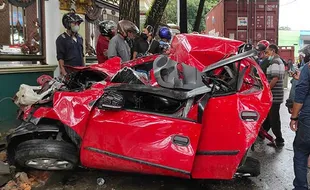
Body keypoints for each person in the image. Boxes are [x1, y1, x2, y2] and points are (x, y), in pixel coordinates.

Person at [290, 59, 310, 190]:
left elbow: (300, 94)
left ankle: (301, 187)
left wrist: (294, 117)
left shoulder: (308, 67)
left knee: (301, 151)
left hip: (308, 117)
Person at [263, 44, 286, 147]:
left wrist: (266, 90)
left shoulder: (275, 61)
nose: (266, 55)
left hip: (275, 95)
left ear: (273, 51)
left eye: (267, 52)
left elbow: (275, 78)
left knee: (274, 118)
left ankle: (279, 140)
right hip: (275, 94)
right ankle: (262, 134)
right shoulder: (278, 60)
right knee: (269, 117)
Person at [56, 12, 84, 76]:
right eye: (74, 23)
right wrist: (64, 72)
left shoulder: (80, 38)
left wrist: (84, 69)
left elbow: (82, 56)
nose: (77, 25)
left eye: (78, 24)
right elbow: (60, 57)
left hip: (80, 70)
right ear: (68, 24)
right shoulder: (61, 39)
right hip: (69, 71)